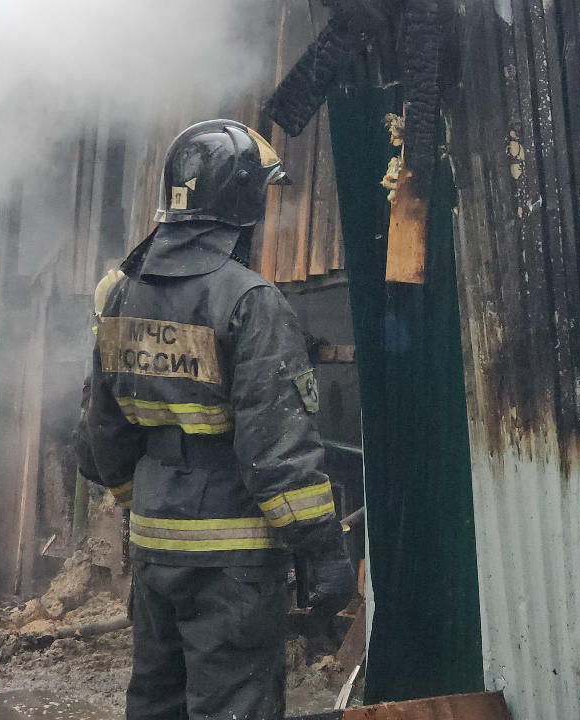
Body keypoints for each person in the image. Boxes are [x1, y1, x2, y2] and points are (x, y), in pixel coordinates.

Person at [76, 119, 355, 720]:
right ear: (242, 201)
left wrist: (146, 499)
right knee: (232, 705)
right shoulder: (250, 301)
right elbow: (274, 450)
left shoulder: (120, 294)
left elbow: (101, 433)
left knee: (157, 701)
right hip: (233, 557)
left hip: (153, 547)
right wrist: (322, 549)